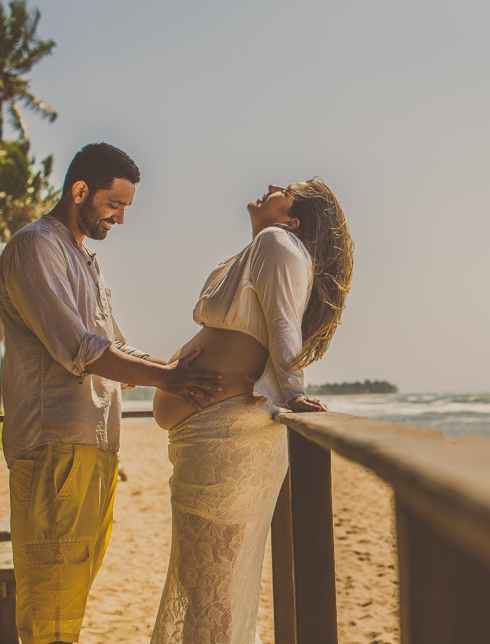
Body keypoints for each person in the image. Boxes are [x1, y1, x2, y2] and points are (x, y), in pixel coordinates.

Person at [0, 143, 223, 644]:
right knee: (50, 608)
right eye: (114, 204)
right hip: (54, 447)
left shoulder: (83, 258)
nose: (120, 219)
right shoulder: (35, 247)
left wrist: (171, 366)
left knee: (69, 599)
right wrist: (167, 379)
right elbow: (78, 348)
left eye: (125, 207)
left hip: (92, 450)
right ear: (79, 191)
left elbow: (115, 349)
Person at [150, 179, 353, 644]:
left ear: (292, 218)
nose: (270, 186)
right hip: (209, 434)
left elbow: (284, 323)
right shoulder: (263, 247)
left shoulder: (277, 242)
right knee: (210, 588)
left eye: (286, 189)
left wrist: (295, 389)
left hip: (225, 437)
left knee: (211, 594)